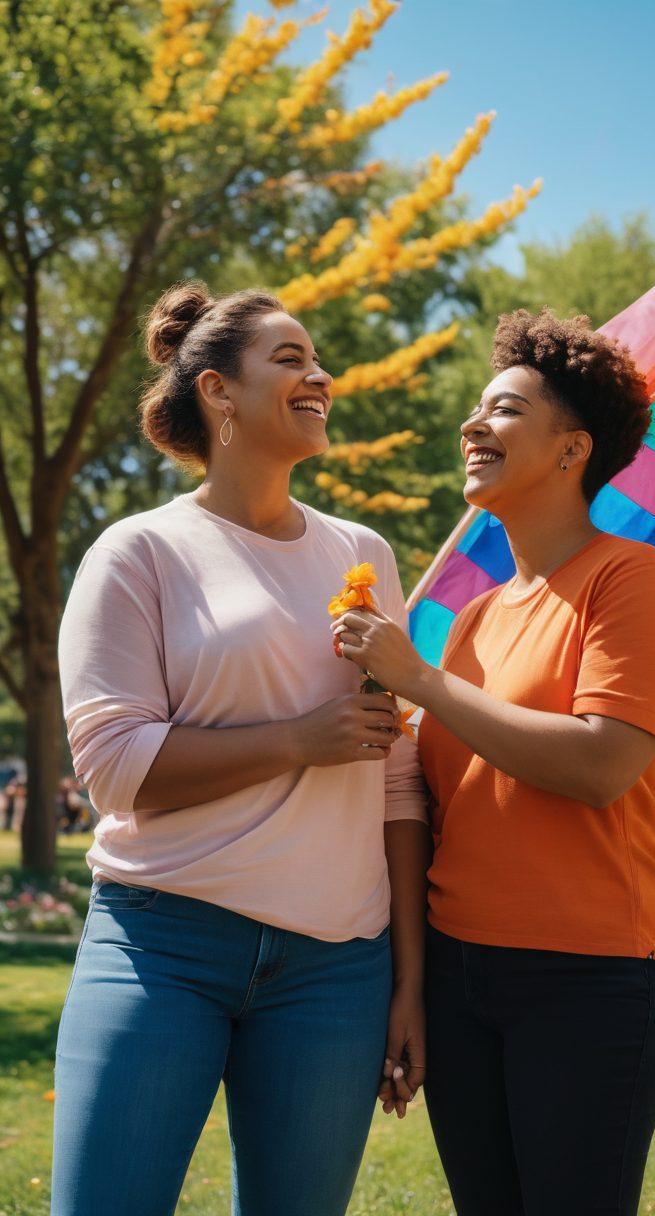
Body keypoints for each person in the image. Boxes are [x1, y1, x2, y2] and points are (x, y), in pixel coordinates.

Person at [52, 282, 430, 1216]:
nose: (321, 376)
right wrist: (302, 740)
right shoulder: (138, 553)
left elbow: (397, 781)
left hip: (337, 969)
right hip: (162, 941)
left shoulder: (364, 553)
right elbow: (116, 773)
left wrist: (408, 981)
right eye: (291, 359)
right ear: (218, 391)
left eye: (318, 361)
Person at [333, 309, 655, 1216]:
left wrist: (421, 678)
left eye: (502, 410)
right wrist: (414, 986)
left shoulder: (632, 581)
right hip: (462, 979)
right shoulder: (475, 619)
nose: (472, 425)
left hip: (593, 979)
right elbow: (430, 800)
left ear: (572, 450)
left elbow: (600, 764)